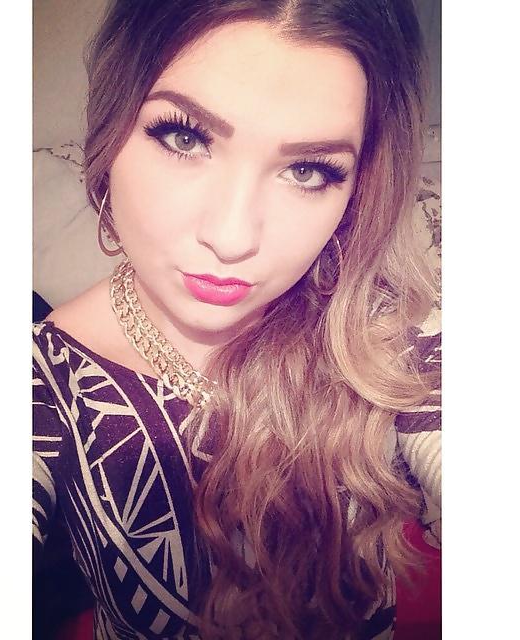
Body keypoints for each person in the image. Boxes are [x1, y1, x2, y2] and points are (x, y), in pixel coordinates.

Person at [33, 1, 441, 638]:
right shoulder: (38, 380)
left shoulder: (382, 322)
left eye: (307, 169)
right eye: (185, 138)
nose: (231, 238)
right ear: (111, 131)